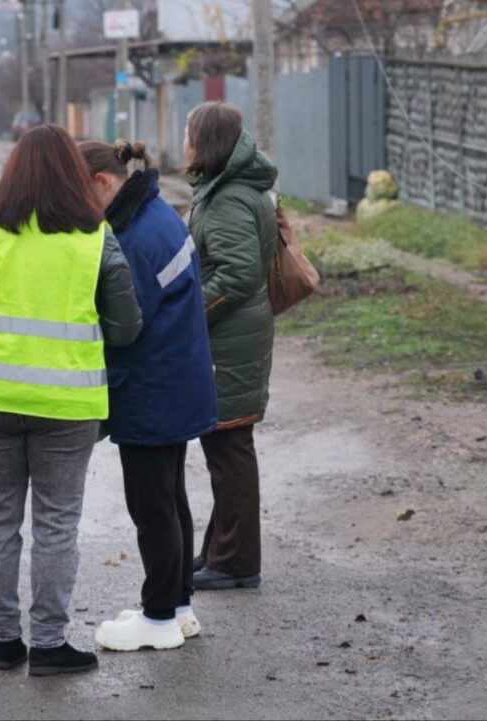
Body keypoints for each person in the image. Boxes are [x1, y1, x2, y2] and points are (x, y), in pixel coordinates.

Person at [0, 125, 142, 676]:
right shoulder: (95, 238)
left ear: (12, 174)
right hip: (65, 403)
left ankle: (5, 641)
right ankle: (50, 644)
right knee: (56, 524)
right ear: (74, 176)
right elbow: (126, 327)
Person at [78, 140, 217, 652]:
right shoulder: (155, 213)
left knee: (152, 506)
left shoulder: (133, 238)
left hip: (152, 387)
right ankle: (178, 608)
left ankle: (157, 617)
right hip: (175, 380)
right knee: (170, 498)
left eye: (78, 193)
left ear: (102, 183)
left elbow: (124, 323)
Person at [183, 102, 279, 591]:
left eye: (188, 134)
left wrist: (185, 315)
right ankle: (221, 549)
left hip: (230, 340)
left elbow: (237, 274)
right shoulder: (227, 190)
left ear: (205, 143)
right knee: (225, 447)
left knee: (230, 449)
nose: (183, 143)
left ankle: (237, 561)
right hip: (234, 335)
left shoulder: (228, 199)